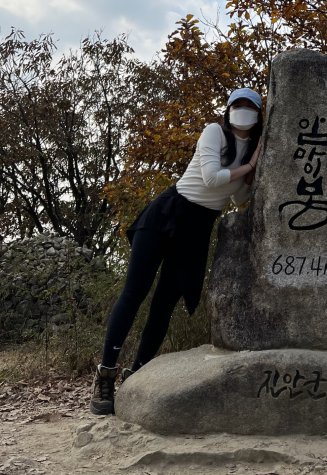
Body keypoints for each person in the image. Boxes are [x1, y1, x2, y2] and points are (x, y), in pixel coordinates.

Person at [90, 88, 263, 414]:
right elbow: (211, 178)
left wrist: (252, 172)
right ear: (228, 110)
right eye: (237, 105)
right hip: (169, 213)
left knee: (163, 306)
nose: (243, 111)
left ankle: (135, 375)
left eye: (250, 107)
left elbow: (239, 200)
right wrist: (250, 164)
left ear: (258, 114)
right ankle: (105, 375)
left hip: (197, 230)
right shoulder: (215, 133)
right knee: (134, 292)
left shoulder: (252, 151)